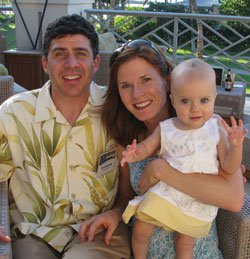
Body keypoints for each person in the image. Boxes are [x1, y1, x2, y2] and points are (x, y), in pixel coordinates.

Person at [0, 14, 131, 259]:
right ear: (45, 64)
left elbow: (131, 184)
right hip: (35, 233)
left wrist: (115, 213)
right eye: (60, 54)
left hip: (101, 232)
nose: (71, 64)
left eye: (81, 53)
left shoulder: (115, 108)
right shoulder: (14, 114)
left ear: (95, 63)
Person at [101, 39, 245, 258]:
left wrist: (162, 171)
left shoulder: (208, 127)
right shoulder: (128, 141)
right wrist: (115, 213)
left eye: (146, 79)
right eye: (126, 86)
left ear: (167, 82)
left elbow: (234, 199)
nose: (137, 94)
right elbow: (126, 196)